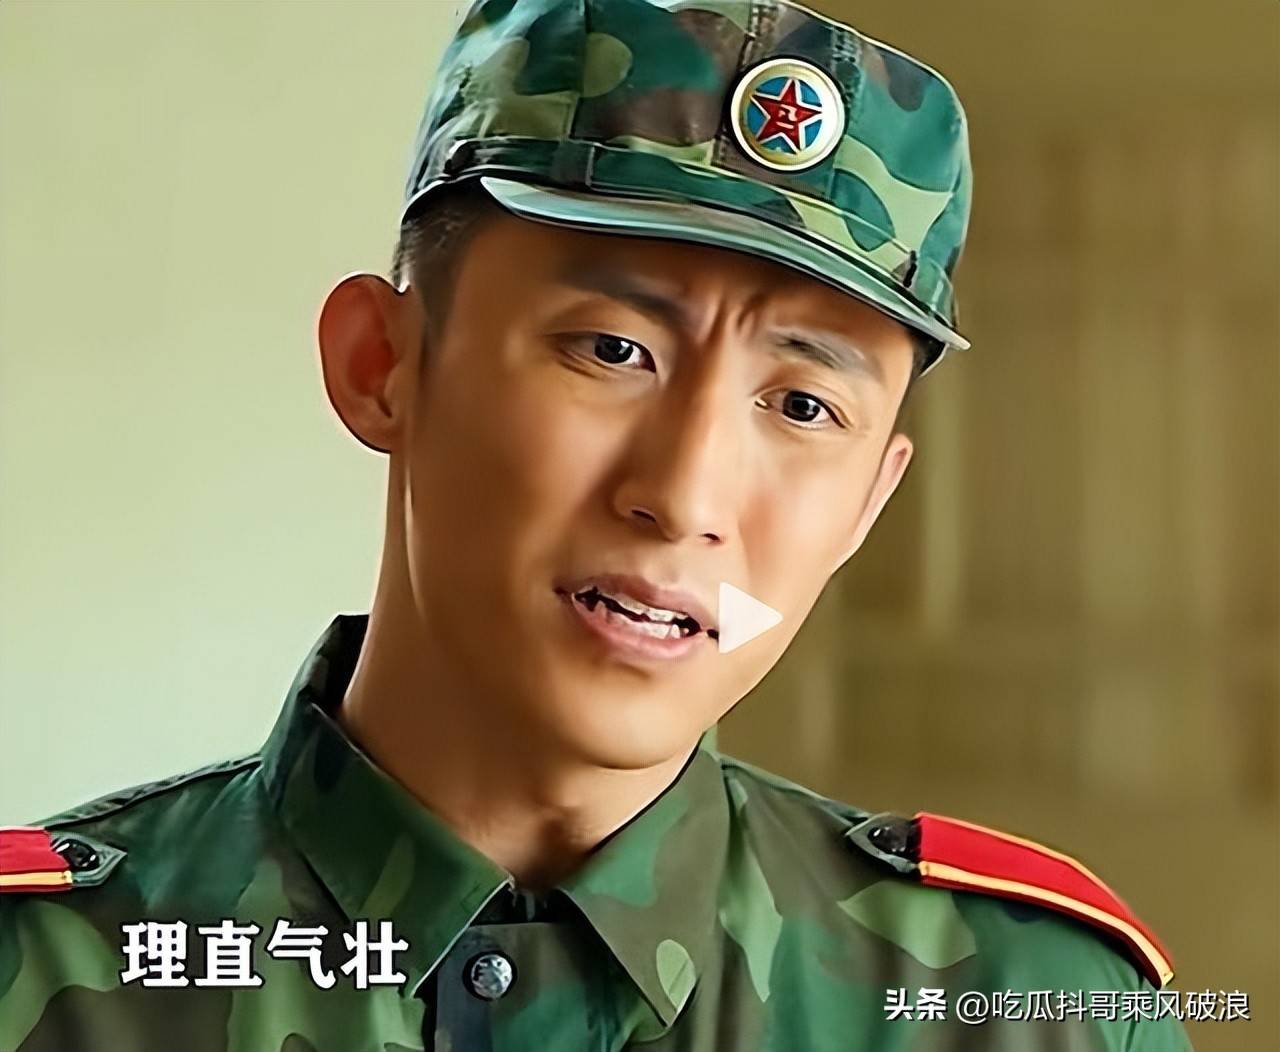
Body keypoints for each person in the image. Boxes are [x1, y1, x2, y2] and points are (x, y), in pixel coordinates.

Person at [0, 1, 1193, 1049]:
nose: (685, 497)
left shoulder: (1029, 1011)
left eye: (801, 405)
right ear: (380, 365)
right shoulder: (40, 980)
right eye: (611, 349)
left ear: (867, 504)